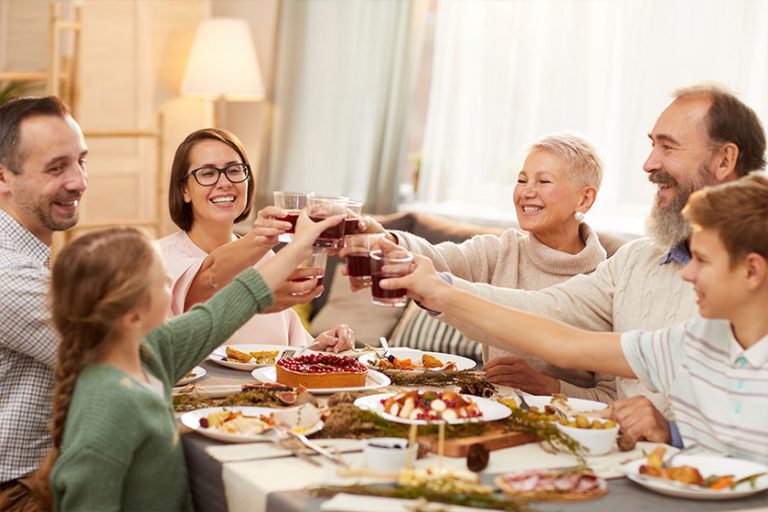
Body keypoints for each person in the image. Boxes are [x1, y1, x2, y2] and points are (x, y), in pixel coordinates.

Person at [390, 84, 766, 444]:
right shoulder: (649, 286)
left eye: (667, 146)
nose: (648, 164)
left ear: (724, 160)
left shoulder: (722, 324)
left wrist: (675, 434)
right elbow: (556, 329)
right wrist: (437, 289)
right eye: (651, 145)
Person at [381, 174, 768, 464]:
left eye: (702, 260)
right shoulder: (692, 340)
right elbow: (560, 342)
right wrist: (441, 292)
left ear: (751, 271)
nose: (686, 273)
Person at [35, 213, 344, 510]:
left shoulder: (149, 354)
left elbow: (234, 302)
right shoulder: (110, 404)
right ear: (132, 315)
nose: (172, 281)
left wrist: (299, 245)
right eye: (162, 281)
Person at [353, 133, 616, 401]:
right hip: (491, 410)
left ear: (584, 199)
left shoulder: (608, 281)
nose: (526, 192)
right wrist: (389, 241)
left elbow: (613, 396)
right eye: (522, 180)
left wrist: (550, 386)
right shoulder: (500, 250)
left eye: (544, 181)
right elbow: (437, 260)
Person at [158, 128, 353, 351]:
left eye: (234, 170)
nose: (224, 182)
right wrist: (272, 238)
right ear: (185, 190)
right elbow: (212, 275)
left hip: (267, 386)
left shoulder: (266, 259)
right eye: (208, 173)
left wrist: (325, 344)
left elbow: (290, 352)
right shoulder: (159, 259)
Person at [0, 96, 88, 510]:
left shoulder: (30, 255)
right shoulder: (7, 271)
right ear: (3, 176)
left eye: (80, 162)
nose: (79, 182)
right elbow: (115, 355)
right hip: (19, 492)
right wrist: (255, 286)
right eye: (57, 167)